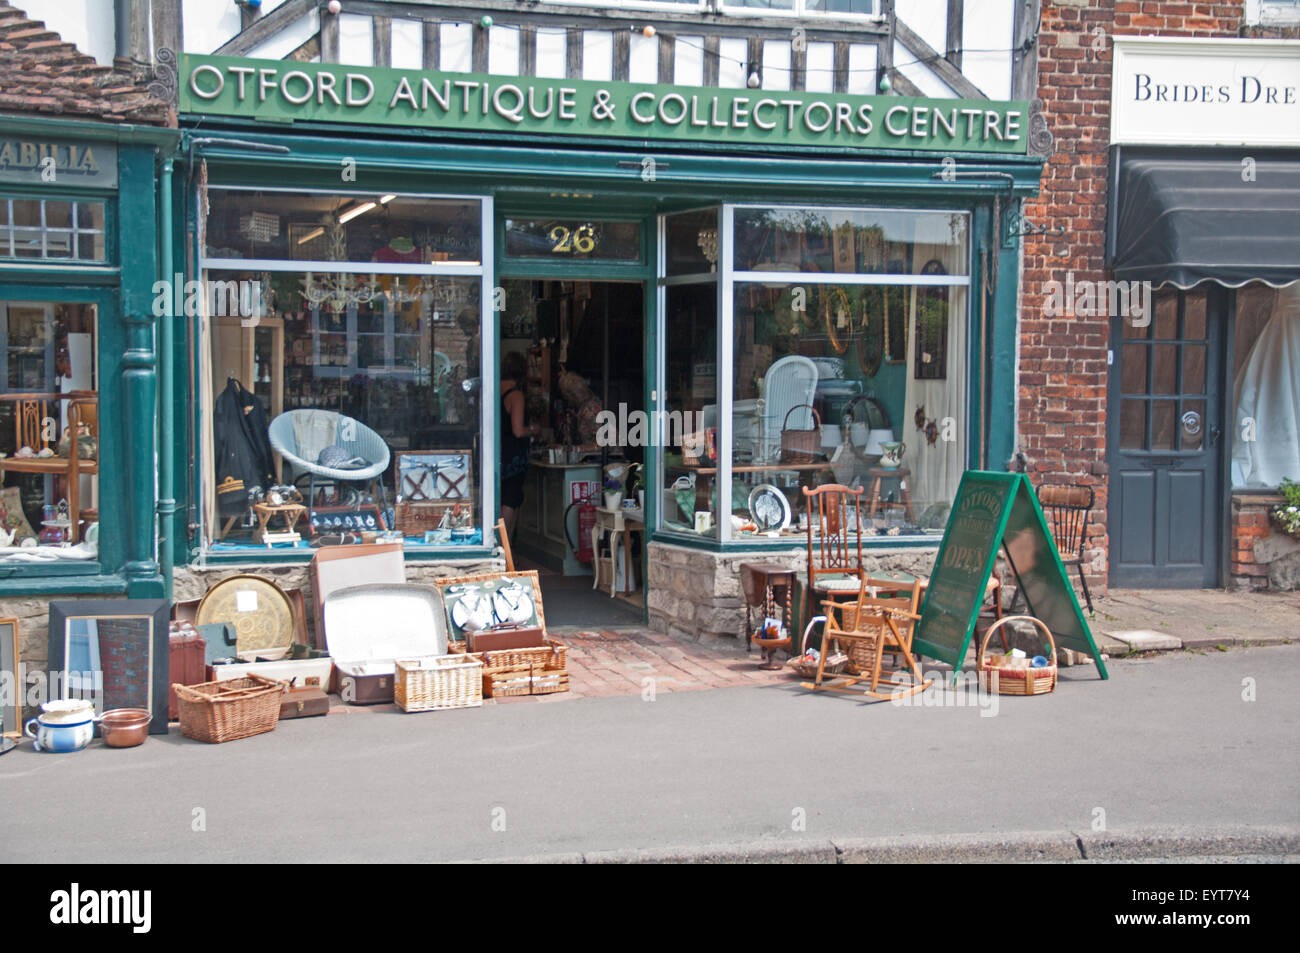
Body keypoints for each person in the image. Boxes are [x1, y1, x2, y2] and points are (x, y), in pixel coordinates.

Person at [500, 351, 539, 537]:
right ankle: (504, 545)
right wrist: (534, 429)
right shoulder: (516, 395)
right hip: (513, 456)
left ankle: (505, 549)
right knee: (511, 498)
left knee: (504, 497)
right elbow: (518, 430)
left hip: (498, 452)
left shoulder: (495, 388)